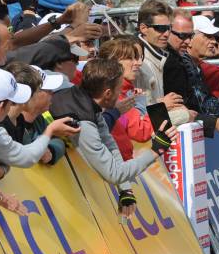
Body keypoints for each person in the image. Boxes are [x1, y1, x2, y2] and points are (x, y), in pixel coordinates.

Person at [48, 57, 177, 217]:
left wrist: (125, 189)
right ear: (108, 93)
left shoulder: (85, 99)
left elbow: (110, 144)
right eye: (119, 89)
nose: (120, 95)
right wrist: (156, 150)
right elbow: (113, 173)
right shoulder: (84, 123)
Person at [0, 68, 78, 174]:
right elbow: (26, 157)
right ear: (0, 107)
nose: (14, 105)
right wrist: (50, 131)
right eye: (11, 102)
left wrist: (2, 170)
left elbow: (4, 156)